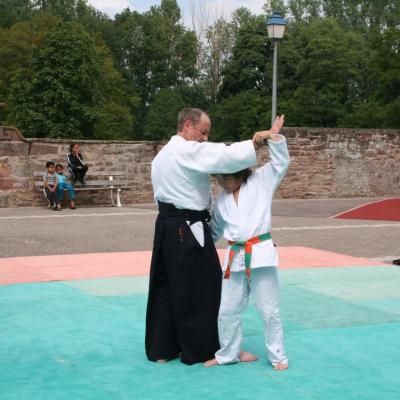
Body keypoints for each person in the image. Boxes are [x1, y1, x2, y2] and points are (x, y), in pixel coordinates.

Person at [146, 107, 276, 366]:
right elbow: (224, 156)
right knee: (207, 291)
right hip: (188, 227)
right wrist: (256, 141)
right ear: (187, 126)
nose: (205, 138)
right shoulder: (186, 150)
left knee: (168, 287)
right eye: (203, 132)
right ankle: (212, 349)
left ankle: (163, 348)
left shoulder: (162, 156)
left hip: (166, 227)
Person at [204, 115, 290, 370]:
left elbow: (281, 162)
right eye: (218, 178)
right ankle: (227, 354)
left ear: (239, 173)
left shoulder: (261, 181)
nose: (221, 183)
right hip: (234, 257)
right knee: (227, 311)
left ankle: (278, 356)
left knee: (268, 309)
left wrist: (273, 137)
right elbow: (213, 232)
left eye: (225, 178)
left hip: (260, 252)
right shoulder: (221, 201)